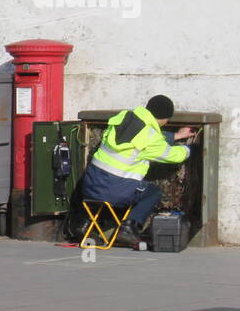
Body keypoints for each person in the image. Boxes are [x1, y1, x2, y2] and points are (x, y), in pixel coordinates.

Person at [79, 94, 196, 248]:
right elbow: (172, 155)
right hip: (114, 191)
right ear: (164, 118)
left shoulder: (124, 117)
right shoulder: (151, 136)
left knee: (118, 186)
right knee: (153, 192)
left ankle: (83, 224)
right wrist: (189, 149)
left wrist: (176, 135)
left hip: (89, 185)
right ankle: (128, 229)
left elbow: (142, 138)